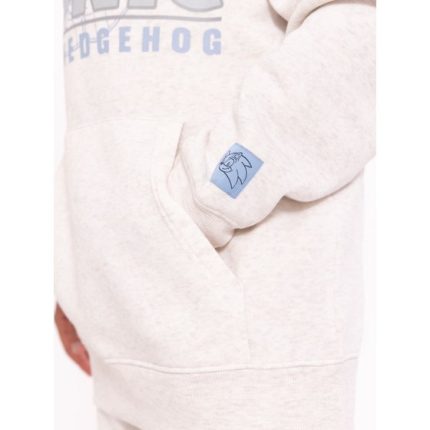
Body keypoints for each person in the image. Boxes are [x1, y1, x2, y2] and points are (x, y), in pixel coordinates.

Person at [55, 0, 375, 429]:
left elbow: (363, 33)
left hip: (251, 365)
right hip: (122, 345)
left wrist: (211, 194)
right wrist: (84, 270)